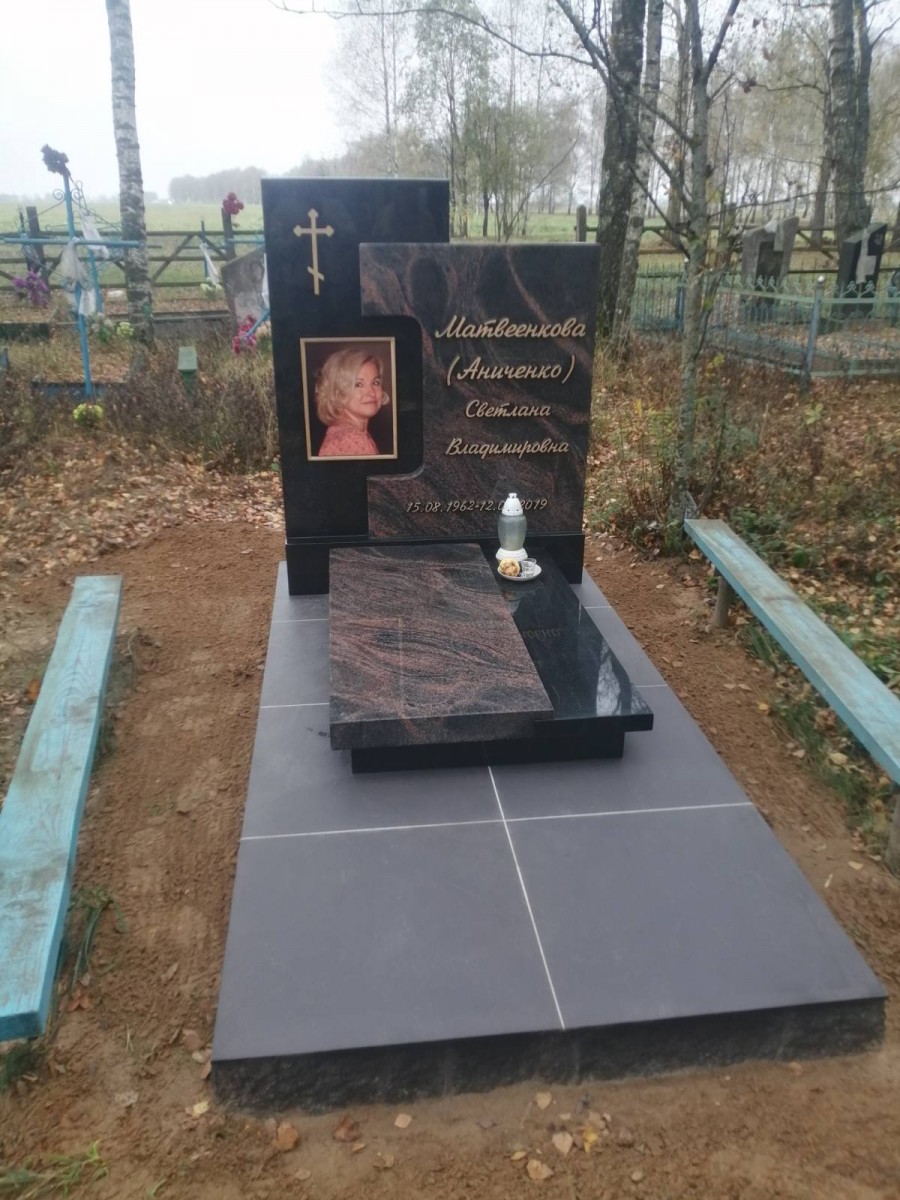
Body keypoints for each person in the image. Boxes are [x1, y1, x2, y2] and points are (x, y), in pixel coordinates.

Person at [314, 348, 391, 457]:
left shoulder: (342, 433)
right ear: (338, 393)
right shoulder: (353, 439)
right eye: (358, 384)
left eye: (375, 382)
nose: (371, 392)